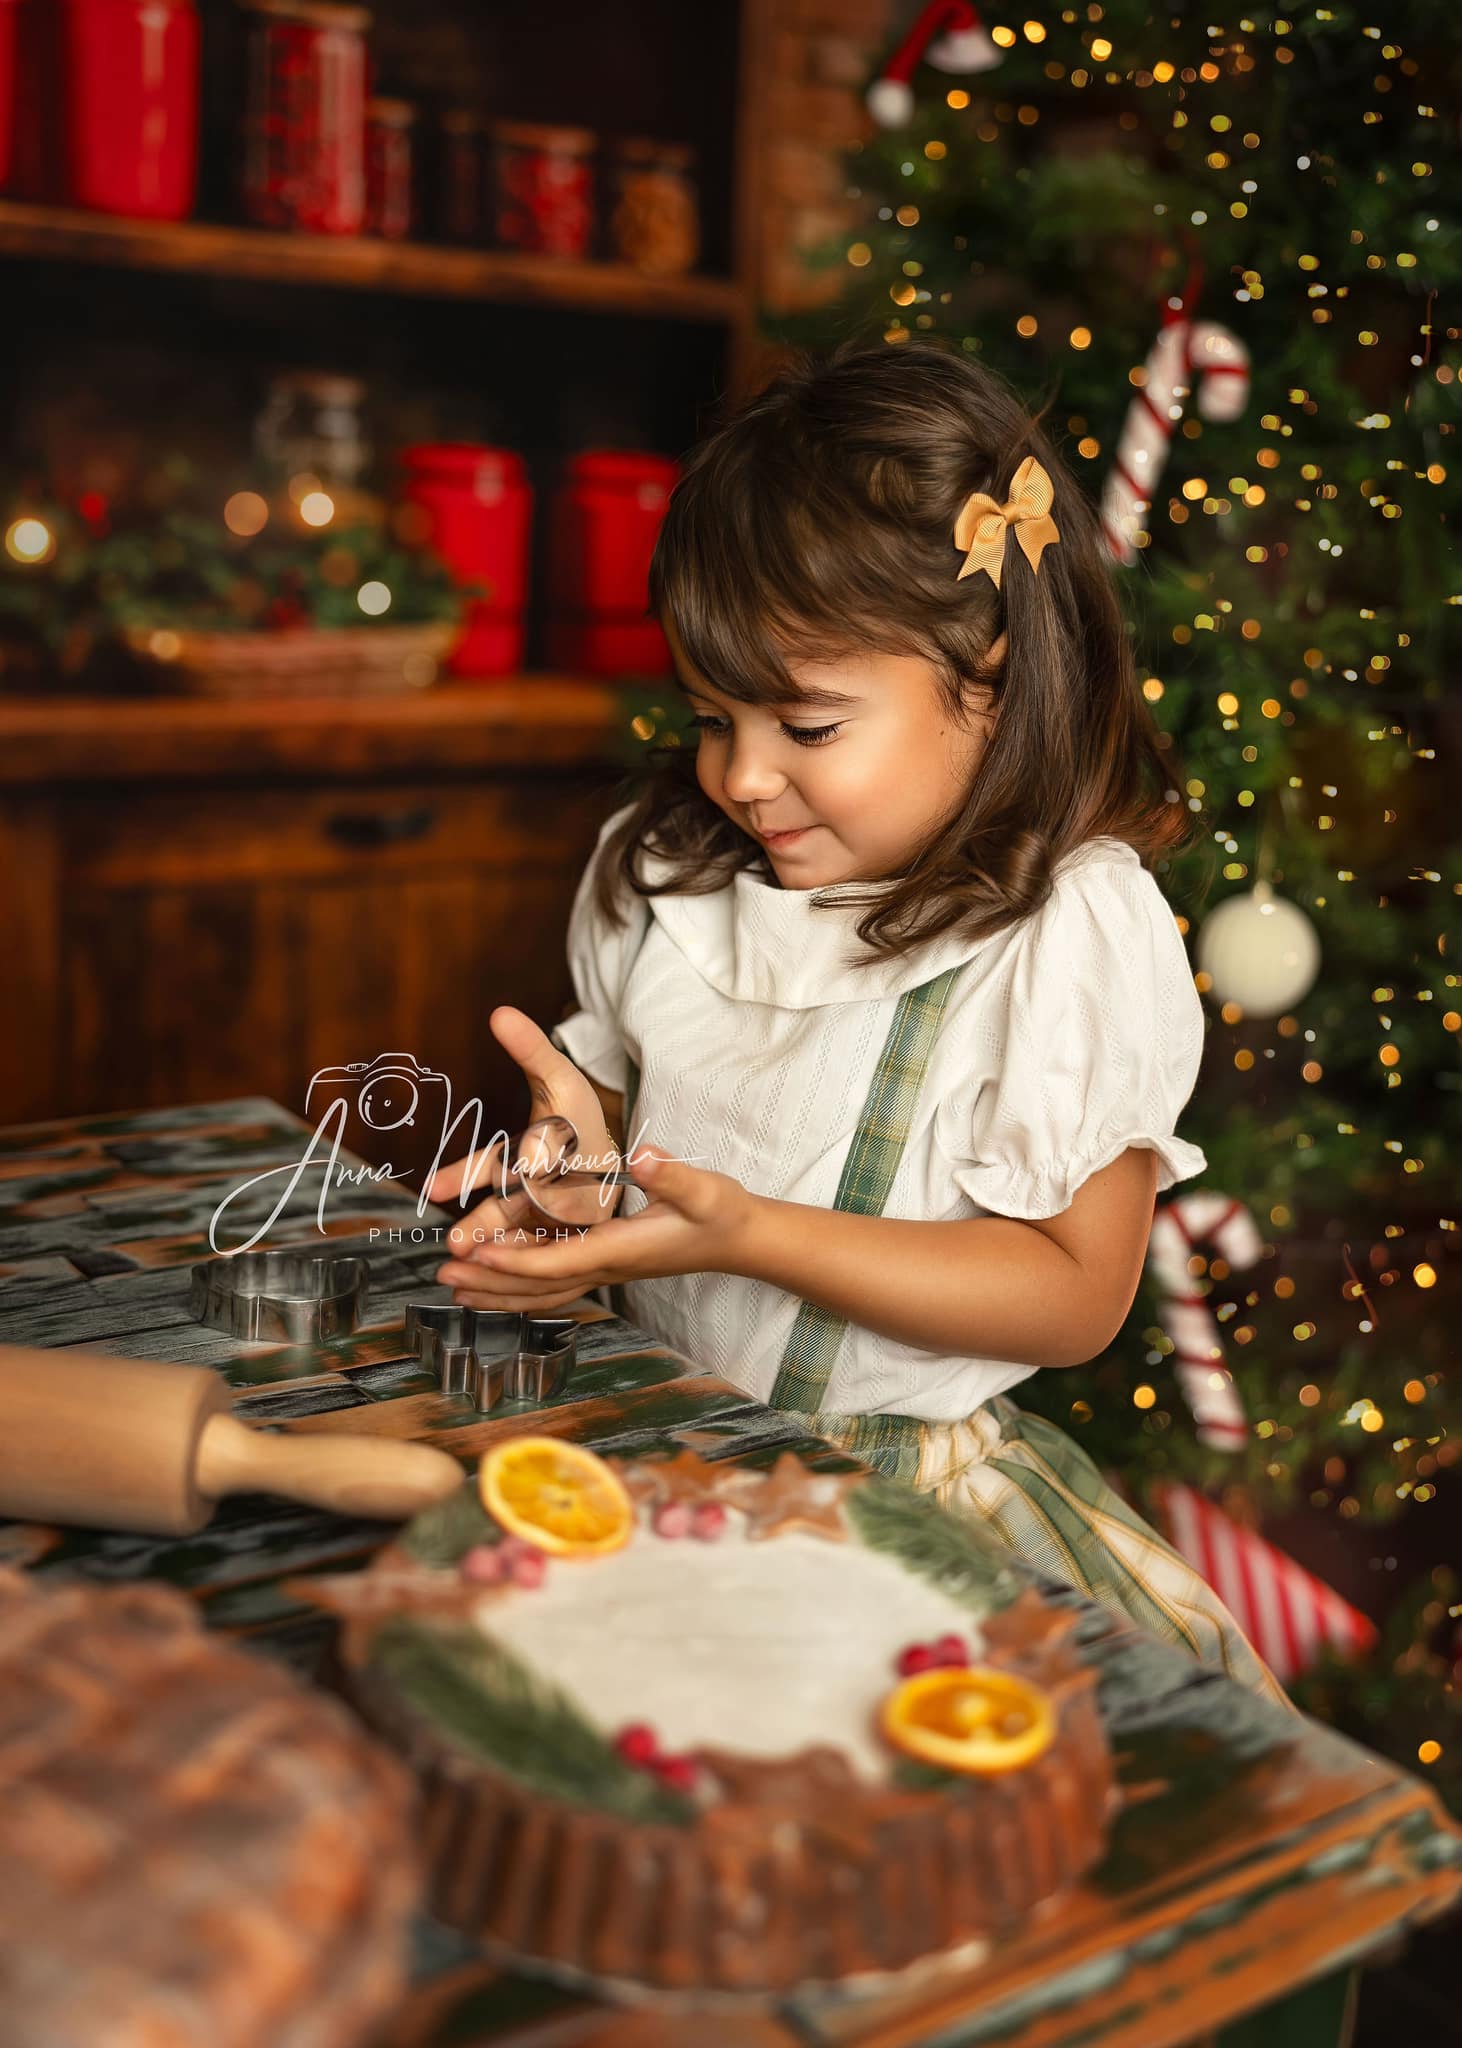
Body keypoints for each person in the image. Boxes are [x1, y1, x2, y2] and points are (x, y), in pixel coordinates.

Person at [428, 336, 1285, 1707]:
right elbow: (626, 1122)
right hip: (652, 1463)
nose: (742, 775)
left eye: (806, 725)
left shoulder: (1063, 936)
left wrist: (752, 1236)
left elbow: (1074, 1296)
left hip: (894, 1524)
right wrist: (571, 1158)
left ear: (991, 678)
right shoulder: (671, 871)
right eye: (711, 715)